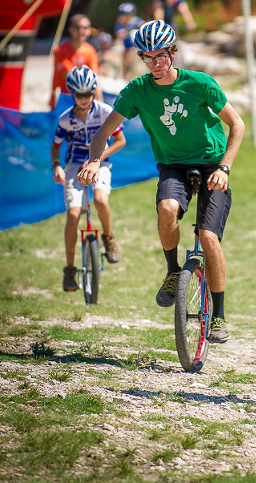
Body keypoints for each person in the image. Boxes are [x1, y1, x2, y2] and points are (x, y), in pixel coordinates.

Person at [77, 20, 244, 343]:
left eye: (161, 56)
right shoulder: (138, 91)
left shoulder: (200, 84)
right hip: (173, 166)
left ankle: (220, 316)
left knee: (208, 237)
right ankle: (172, 271)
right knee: (167, 209)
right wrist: (95, 160)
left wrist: (225, 168)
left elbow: (237, 125)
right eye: (148, 57)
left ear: (173, 53)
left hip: (212, 165)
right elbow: (102, 132)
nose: (155, 63)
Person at [51, 65, 126, 292]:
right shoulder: (66, 119)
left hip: (100, 162)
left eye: (88, 94)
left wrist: (96, 159)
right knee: (74, 214)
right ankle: (70, 269)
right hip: (74, 164)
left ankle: (108, 237)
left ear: (94, 91)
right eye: (79, 95)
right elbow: (55, 147)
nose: (84, 99)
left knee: (101, 200)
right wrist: (56, 166)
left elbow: (120, 140)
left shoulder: (104, 111)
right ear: (72, 94)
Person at [50, 13, 102, 109]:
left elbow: (95, 77)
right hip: (65, 99)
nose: (81, 31)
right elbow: (69, 76)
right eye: (77, 28)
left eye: (85, 28)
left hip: (85, 100)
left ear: (90, 30)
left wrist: (99, 101)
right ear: (71, 29)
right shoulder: (60, 50)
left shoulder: (90, 51)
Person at [114, 2, 145, 79]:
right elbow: (118, 34)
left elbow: (144, 25)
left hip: (136, 45)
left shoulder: (135, 20)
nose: (122, 18)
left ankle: (136, 73)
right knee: (126, 56)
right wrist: (123, 33)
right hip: (126, 45)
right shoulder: (120, 23)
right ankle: (125, 74)